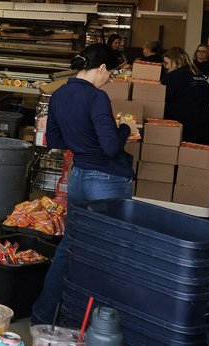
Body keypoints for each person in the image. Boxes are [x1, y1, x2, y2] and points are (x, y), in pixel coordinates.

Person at [30, 44, 133, 326]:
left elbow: (54, 140)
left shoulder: (59, 94)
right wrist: (127, 129)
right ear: (101, 69)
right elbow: (111, 147)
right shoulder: (97, 97)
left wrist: (82, 141)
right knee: (107, 253)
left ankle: (44, 315)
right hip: (107, 180)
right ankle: (97, 324)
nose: (110, 79)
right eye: (110, 73)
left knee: (69, 247)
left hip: (79, 178)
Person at [161, 47, 209, 144]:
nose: (166, 67)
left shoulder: (172, 76)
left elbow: (162, 97)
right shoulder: (199, 75)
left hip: (180, 122)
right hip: (203, 120)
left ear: (175, 62)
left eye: (167, 63)